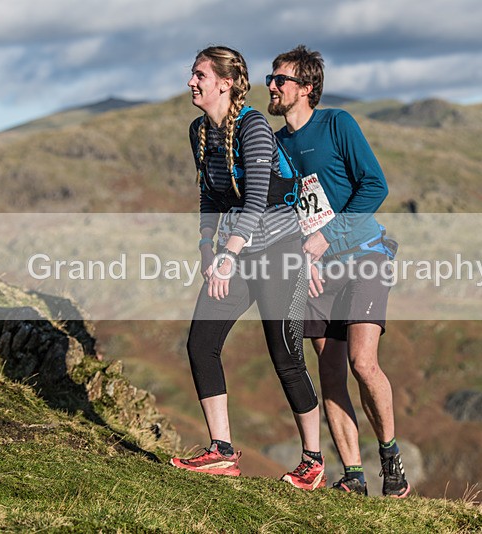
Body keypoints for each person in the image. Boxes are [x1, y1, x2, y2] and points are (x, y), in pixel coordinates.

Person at [169, 46, 325, 490]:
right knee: (201, 342)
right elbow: (210, 197)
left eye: (199, 74)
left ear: (225, 82)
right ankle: (220, 452)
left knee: (285, 355)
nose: (190, 82)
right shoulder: (200, 130)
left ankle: (313, 461)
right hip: (235, 253)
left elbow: (256, 200)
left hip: (278, 249)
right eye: (191, 73)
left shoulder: (254, 126)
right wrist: (207, 249)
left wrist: (228, 254)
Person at [267, 45, 411, 497]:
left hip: (365, 254)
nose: (271, 85)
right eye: (271, 78)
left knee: (362, 363)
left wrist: (327, 237)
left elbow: (375, 185)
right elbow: (282, 211)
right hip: (316, 270)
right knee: (329, 374)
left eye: (281, 80)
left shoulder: (337, 124)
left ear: (307, 89)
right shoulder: (275, 143)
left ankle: (391, 458)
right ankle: (354, 477)